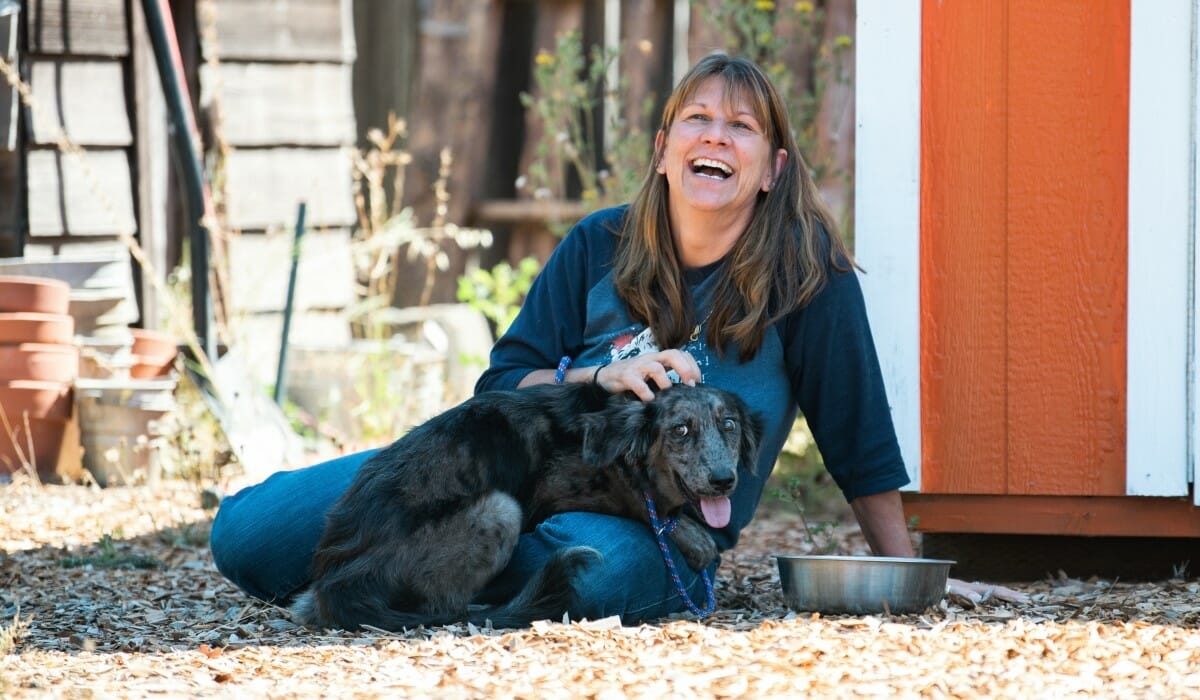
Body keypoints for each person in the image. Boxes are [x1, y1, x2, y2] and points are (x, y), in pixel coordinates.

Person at [209, 53, 1024, 621]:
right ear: (663, 148)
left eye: (740, 128)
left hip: (649, 524)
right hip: (491, 470)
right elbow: (500, 388)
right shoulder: (596, 245)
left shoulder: (809, 277)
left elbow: (859, 438)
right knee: (248, 536)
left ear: (772, 168)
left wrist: (906, 573)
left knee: (588, 579)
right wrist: (597, 380)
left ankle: (405, 584)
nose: (714, 136)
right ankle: (425, 573)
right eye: (696, 119)